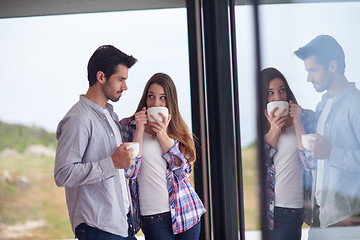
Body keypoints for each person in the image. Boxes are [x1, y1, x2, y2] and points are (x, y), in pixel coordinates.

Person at [54, 45, 138, 240]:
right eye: (120, 79)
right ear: (101, 77)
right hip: (97, 229)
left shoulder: (110, 114)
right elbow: (63, 174)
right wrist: (112, 163)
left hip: (122, 226)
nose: (125, 87)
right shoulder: (78, 119)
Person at [119, 72, 206, 240]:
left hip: (186, 212)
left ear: (170, 102)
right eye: (151, 96)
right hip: (152, 217)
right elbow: (131, 171)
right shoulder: (128, 127)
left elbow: (183, 173)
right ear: (145, 98)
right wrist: (139, 131)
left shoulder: (176, 129)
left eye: (163, 98)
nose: (156, 103)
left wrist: (163, 136)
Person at [294, 35, 360, 237]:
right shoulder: (322, 106)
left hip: (348, 220)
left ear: (332, 66)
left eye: (313, 70)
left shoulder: (356, 105)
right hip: (320, 218)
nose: (308, 78)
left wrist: (331, 152)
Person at [261, 67, 315, 240]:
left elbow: (309, 162)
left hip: (293, 208)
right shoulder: (261, 125)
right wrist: (274, 130)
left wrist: (297, 123)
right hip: (268, 210)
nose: (278, 97)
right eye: (270, 93)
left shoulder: (304, 117)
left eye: (281, 90)